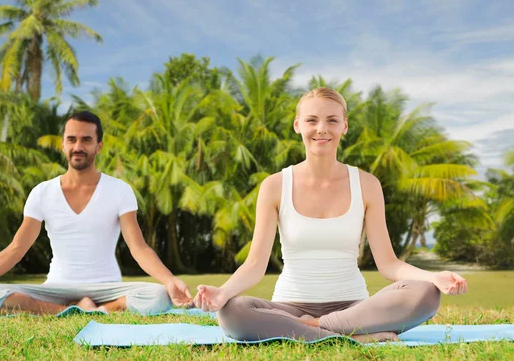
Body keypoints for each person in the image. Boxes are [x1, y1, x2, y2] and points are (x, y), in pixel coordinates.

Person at [193, 88, 468, 343]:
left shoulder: (367, 184)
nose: (321, 129)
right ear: (297, 125)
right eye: (311, 120)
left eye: (332, 120)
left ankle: (316, 330)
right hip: (290, 306)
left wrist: (433, 277)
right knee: (233, 313)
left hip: (354, 307)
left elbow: (389, 264)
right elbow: (254, 265)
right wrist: (224, 293)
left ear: (344, 126)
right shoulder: (275, 185)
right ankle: (351, 336)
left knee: (425, 293)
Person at [0, 111, 193, 316]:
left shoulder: (119, 190)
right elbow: (16, 249)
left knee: (159, 295)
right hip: (56, 287)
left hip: (107, 287)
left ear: (99, 145)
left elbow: (138, 248)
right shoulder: (42, 192)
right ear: (63, 144)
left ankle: (102, 308)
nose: (78, 146)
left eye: (86, 140)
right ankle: (70, 310)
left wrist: (170, 280)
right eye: (72, 139)